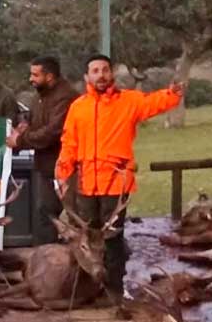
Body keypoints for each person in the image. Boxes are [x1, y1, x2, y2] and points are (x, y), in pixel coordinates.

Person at [56, 54, 185, 303]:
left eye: (105, 70)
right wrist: (63, 174)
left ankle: (115, 290)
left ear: (111, 74)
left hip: (115, 185)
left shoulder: (129, 101)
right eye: (95, 71)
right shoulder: (78, 107)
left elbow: (153, 102)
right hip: (85, 185)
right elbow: (69, 143)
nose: (101, 75)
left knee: (112, 241)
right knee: (85, 241)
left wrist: (172, 94)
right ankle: (86, 288)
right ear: (87, 76)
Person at [6, 56, 78, 245]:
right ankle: (47, 255)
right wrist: (23, 126)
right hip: (46, 166)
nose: (31, 79)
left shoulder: (66, 97)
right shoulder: (40, 95)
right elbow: (33, 120)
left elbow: (52, 132)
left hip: (66, 168)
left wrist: (20, 140)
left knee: (74, 216)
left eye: (35, 75)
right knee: (45, 214)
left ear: (50, 76)